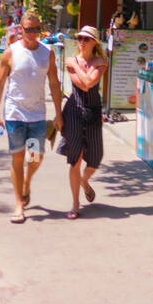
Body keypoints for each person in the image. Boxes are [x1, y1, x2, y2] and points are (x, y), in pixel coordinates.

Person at [0, 8, 63, 223]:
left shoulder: (46, 53)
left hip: (37, 114)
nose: (33, 34)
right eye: (29, 30)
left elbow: (54, 83)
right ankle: (19, 205)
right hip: (15, 114)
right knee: (18, 158)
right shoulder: (10, 53)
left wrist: (58, 113)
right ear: (20, 30)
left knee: (36, 157)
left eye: (37, 30)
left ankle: (27, 182)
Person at [59, 25, 108, 219]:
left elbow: (88, 84)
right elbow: (82, 83)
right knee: (75, 159)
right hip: (73, 112)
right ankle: (75, 203)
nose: (81, 41)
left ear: (94, 42)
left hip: (93, 112)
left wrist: (78, 66)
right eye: (80, 38)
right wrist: (80, 69)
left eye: (86, 39)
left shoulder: (100, 61)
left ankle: (84, 181)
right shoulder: (71, 61)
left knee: (96, 156)